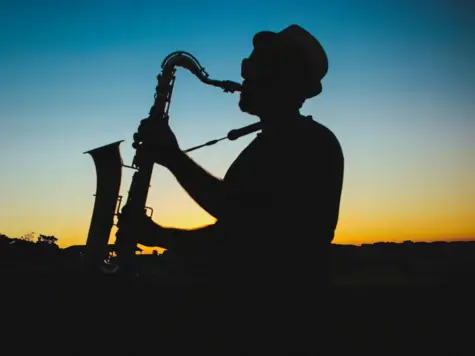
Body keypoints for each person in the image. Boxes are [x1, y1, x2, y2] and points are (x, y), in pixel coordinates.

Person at [119, 24, 344, 346]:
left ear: (280, 80)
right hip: (257, 314)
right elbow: (239, 230)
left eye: (253, 71)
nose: (243, 79)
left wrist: (172, 158)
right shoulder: (272, 143)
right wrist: (159, 235)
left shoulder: (308, 142)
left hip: (279, 321)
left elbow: (248, 223)